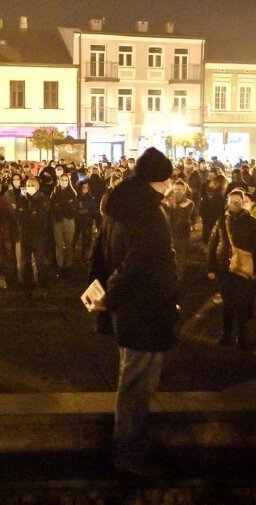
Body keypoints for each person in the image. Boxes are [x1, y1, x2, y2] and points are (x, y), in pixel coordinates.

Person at [89, 147, 179, 474]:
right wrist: (108, 297)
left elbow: (98, 255)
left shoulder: (117, 206)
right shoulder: (150, 214)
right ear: (159, 180)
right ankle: (129, 454)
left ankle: (131, 446)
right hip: (146, 310)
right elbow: (135, 266)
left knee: (132, 378)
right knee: (136, 386)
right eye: (168, 180)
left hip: (127, 310)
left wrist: (95, 296)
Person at [207, 189, 256, 349]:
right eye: (231, 201)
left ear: (243, 202)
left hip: (242, 268)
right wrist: (211, 266)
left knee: (241, 303)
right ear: (227, 202)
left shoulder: (251, 221)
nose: (234, 204)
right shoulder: (221, 220)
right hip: (223, 267)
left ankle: (241, 335)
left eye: (238, 202)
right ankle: (226, 333)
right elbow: (213, 243)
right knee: (227, 302)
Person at [17, 177, 49, 293]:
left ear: (38, 186)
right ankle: (27, 283)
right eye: (28, 185)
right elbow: (19, 216)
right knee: (26, 261)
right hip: (25, 235)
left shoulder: (42, 200)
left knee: (39, 261)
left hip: (38, 235)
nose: (30, 187)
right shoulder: (22, 199)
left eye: (32, 185)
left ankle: (40, 284)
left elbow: (41, 217)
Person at [163, 180, 195, 282]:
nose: (177, 191)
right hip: (168, 236)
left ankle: (179, 281)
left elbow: (184, 219)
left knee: (180, 261)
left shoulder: (189, 203)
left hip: (182, 237)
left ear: (185, 190)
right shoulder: (167, 202)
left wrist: (174, 206)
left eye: (180, 189)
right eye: (175, 189)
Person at [49, 172, 77, 278]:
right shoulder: (55, 192)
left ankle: (68, 265)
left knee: (69, 243)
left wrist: (62, 205)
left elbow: (73, 205)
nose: (64, 182)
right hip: (57, 220)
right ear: (59, 181)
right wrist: (63, 205)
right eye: (62, 180)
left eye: (66, 180)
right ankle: (60, 265)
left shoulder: (72, 192)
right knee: (59, 244)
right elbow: (53, 206)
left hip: (69, 219)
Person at [74, 181, 99, 264]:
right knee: (74, 238)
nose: (85, 189)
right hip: (77, 221)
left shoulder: (90, 198)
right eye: (83, 187)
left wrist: (88, 211)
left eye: (86, 187)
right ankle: (71, 255)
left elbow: (95, 210)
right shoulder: (76, 196)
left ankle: (84, 257)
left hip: (87, 221)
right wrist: (78, 211)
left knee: (86, 240)